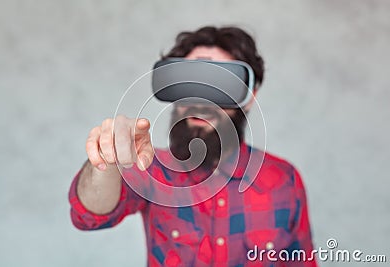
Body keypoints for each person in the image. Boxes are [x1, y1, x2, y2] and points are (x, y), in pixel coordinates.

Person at [69, 26, 318, 266]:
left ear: (249, 97)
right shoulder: (152, 169)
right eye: (189, 83)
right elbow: (90, 215)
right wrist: (106, 157)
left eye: (219, 84)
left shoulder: (284, 180)